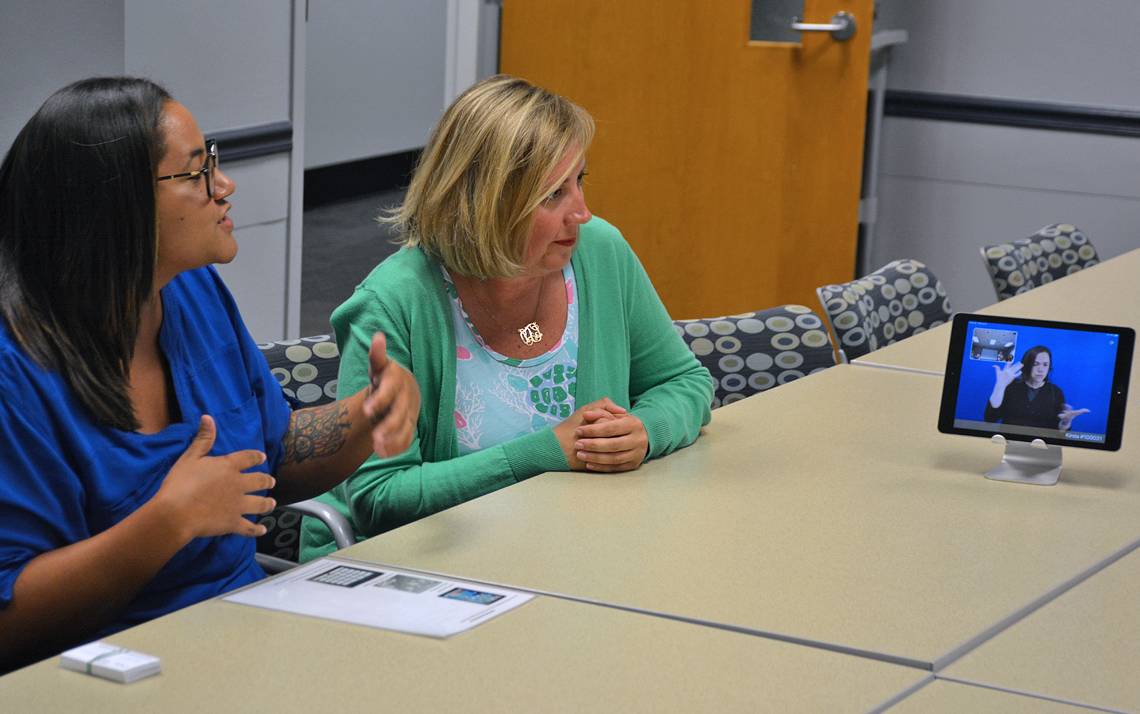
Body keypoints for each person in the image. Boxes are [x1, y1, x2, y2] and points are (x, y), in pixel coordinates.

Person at [0, 77, 420, 670]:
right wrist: (164, 524)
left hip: (238, 633)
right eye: (196, 172)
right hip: (100, 670)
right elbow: (10, 623)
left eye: (214, 163)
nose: (224, 186)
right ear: (113, 204)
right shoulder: (15, 373)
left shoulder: (191, 290)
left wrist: (361, 418)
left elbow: (268, 457)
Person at [301, 75, 713, 559]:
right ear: (484, 203)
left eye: (579, 181)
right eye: (552, 195)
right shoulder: (394, 302)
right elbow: (379, 498)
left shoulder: (600, 251)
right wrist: (544, 454)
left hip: (566, 548)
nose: (581, 212)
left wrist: (645, 431)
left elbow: (684, 382)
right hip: (421, 566)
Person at [984, 345, 1088, 430]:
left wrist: (1065, 423)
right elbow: (989, 419)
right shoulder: (1010, 386)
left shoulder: (1056, 392)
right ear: (1027, 365)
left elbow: (1060, 433)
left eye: (1045, 365)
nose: (1041, 369)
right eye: (1035, 364)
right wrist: (1000, 386)